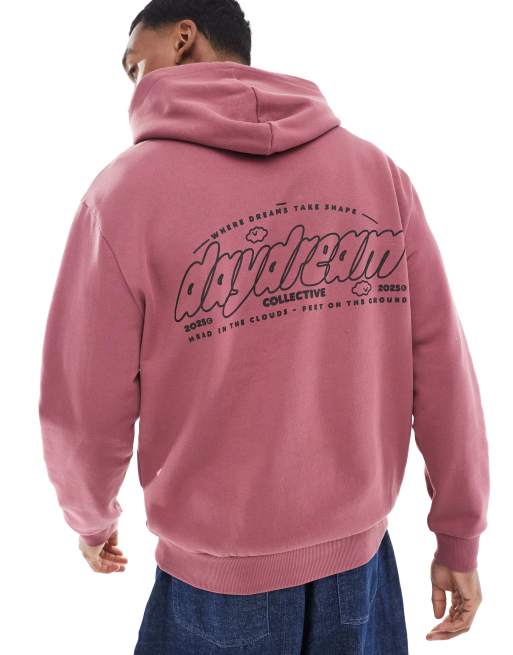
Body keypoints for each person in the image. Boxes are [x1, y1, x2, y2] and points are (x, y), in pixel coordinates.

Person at [38, 1, 490, 653]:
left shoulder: (122, 194)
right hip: (360, 574)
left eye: (134, 65)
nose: (132, 85)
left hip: (215, 585)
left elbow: (82, 405)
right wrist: (457, 535)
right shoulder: (374, 173)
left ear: (183, 38)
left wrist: (91, 517)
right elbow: (443, 365)